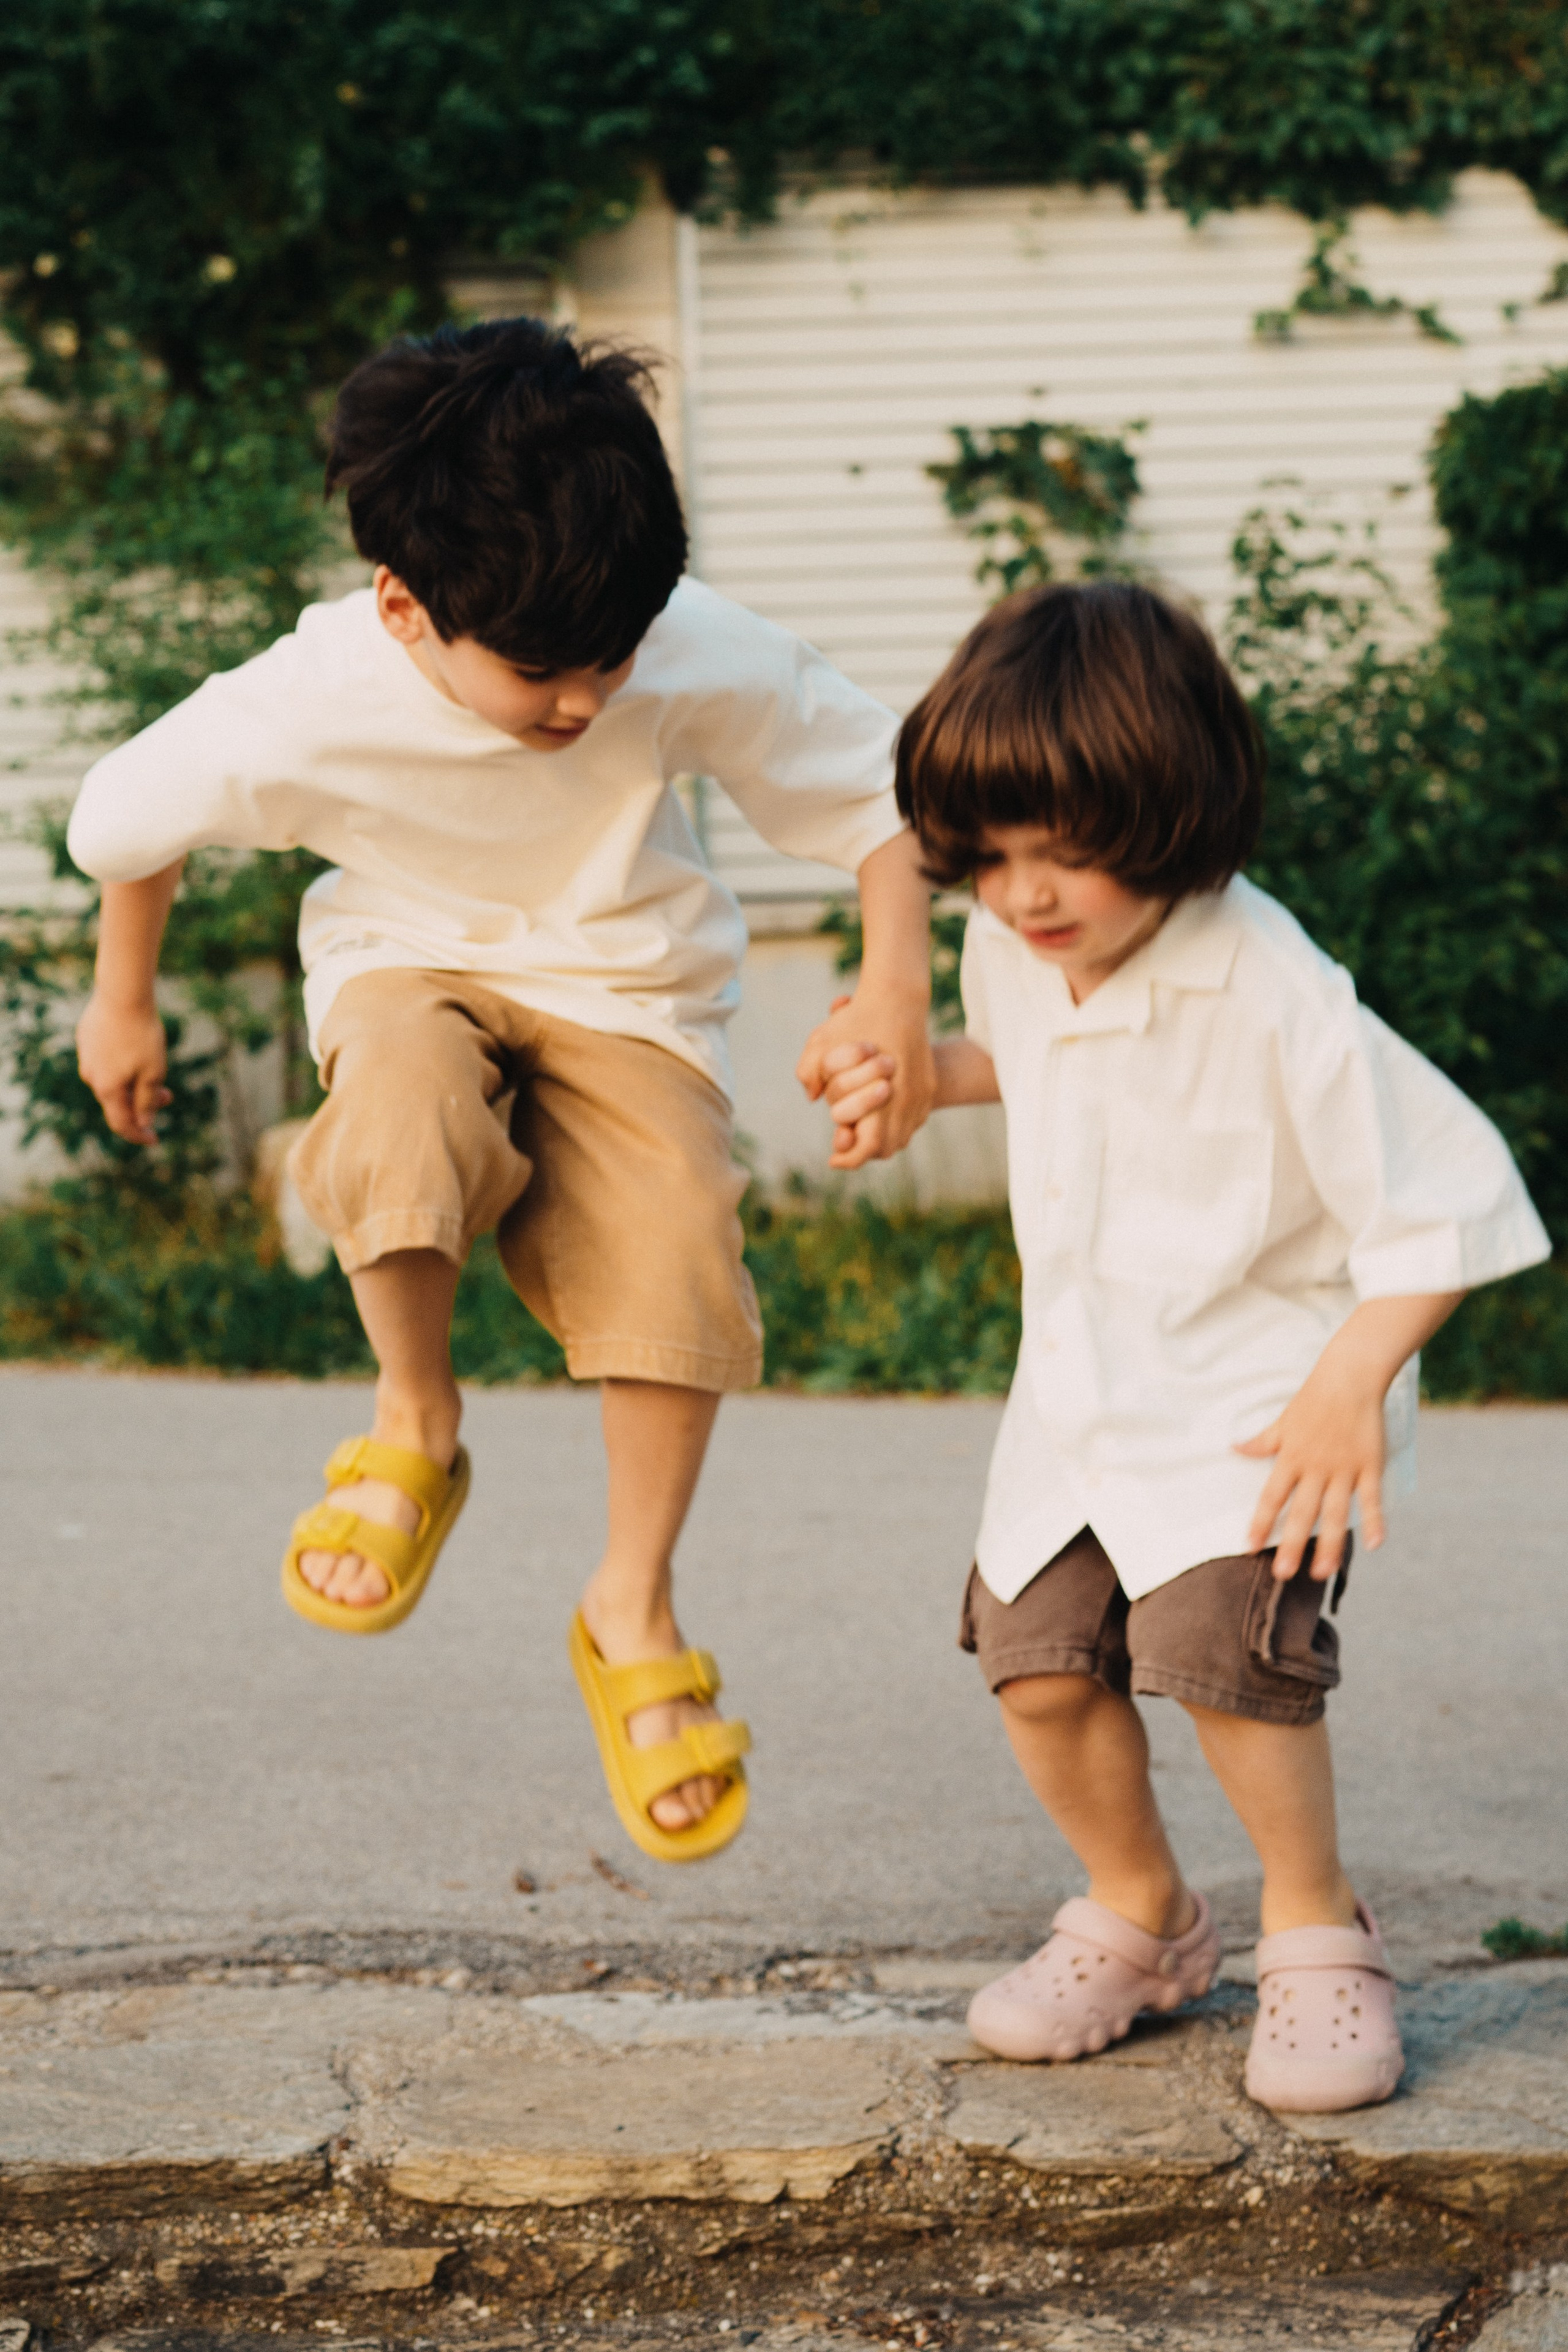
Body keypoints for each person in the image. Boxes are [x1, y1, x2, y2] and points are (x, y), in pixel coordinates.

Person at [67, 317, 935, 1866]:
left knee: (676, 1232)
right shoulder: (310, 691)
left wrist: (892, 991)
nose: (586, 706)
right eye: (542, 675)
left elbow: (883, 798)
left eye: (612, 666)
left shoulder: (663, 636)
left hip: (625, 982)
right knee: (395, 1106)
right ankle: (415, 1416)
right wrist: (122, 999)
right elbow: (128, 822)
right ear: (402, 606)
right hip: (410, 955)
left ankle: (631, 1602)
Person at [821, 580, 1548, 2113]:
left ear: (1167, 806)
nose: (1023, 893)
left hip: (1255, 1402)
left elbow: (1453, 1187)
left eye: (1062, 851)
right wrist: (921, 1080)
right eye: (994, 855)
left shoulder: (1275, 987)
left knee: (1226, 1668)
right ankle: (1141, 1912)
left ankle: (1312, 1933)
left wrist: (1353, 1381)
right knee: (1034, 1666)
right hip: (1080, 1396)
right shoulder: (1017, 945)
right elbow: (1036, 1062)